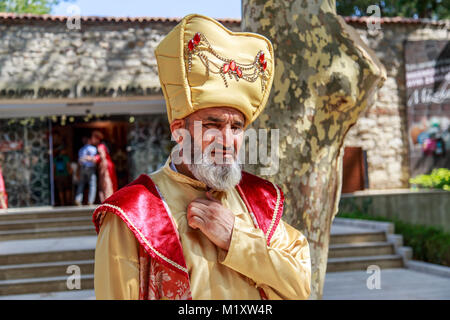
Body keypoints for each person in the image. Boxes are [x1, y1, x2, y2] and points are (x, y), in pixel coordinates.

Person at [93, 14, 311, 300]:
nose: (227, 139)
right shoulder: (132, 213)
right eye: (212, 125)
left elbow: (301, 288)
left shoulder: (258, 199)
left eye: (236, 127)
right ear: (179, 131)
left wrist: (236, 239)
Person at [75, 132, 101, 205]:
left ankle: (78, 199)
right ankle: (90, 201)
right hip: (90, 168)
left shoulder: (81, 149)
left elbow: (79, 161)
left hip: (83, 168)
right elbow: (95, 159)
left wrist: (78, 170)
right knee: (92, 184)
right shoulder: (93, 148)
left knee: (81, 184)